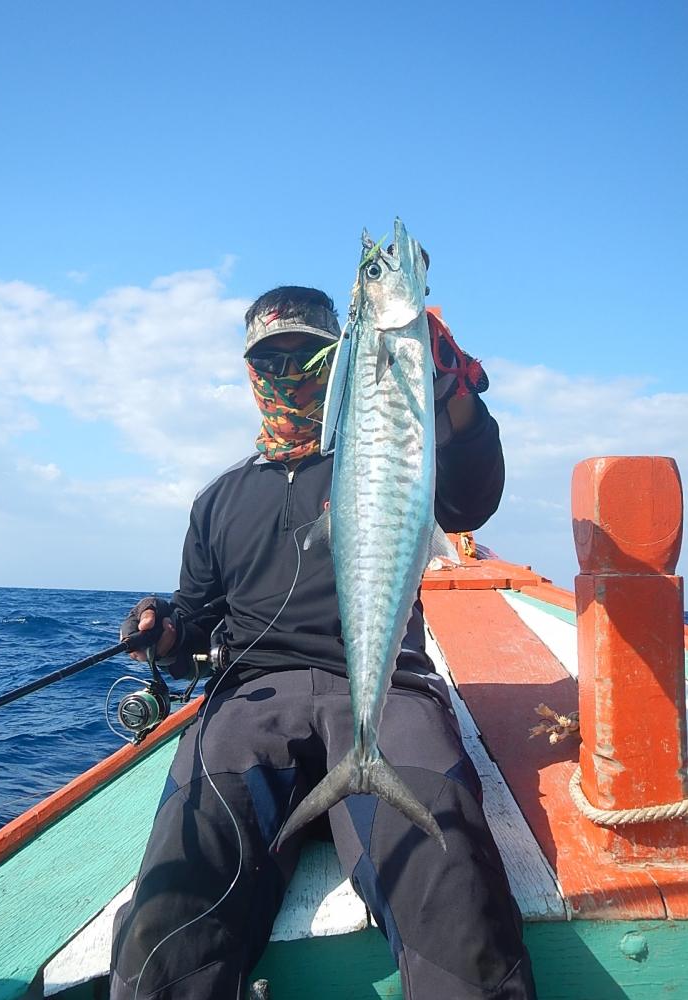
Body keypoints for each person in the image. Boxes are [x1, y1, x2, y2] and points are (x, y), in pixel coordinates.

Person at [110, 283, 538, 999]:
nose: (287, 374)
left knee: (454, 891)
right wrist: (165, 632)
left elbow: (469, 496)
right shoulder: (217, 500)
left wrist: (452, 391)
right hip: (250, 702)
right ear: (249, 371)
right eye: (269, 360)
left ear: (339, 360)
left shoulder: (382, 455)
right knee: (169, 915)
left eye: (305, 356)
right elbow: (194, 619)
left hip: (384, 690)